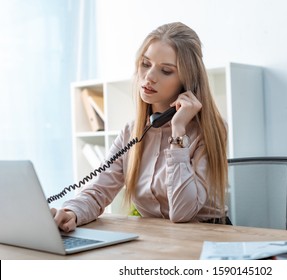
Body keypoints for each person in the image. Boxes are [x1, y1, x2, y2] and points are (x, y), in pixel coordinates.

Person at [51, 22, 230, 232]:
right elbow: (99, 190)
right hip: (157, 238)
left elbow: (183, 213)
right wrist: (72, 213)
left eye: (166, 70)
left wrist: (178, 131)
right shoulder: (132, 131)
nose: (149, 77)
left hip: (206, 237)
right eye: (145, 64)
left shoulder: (209, 131)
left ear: (186, 80)